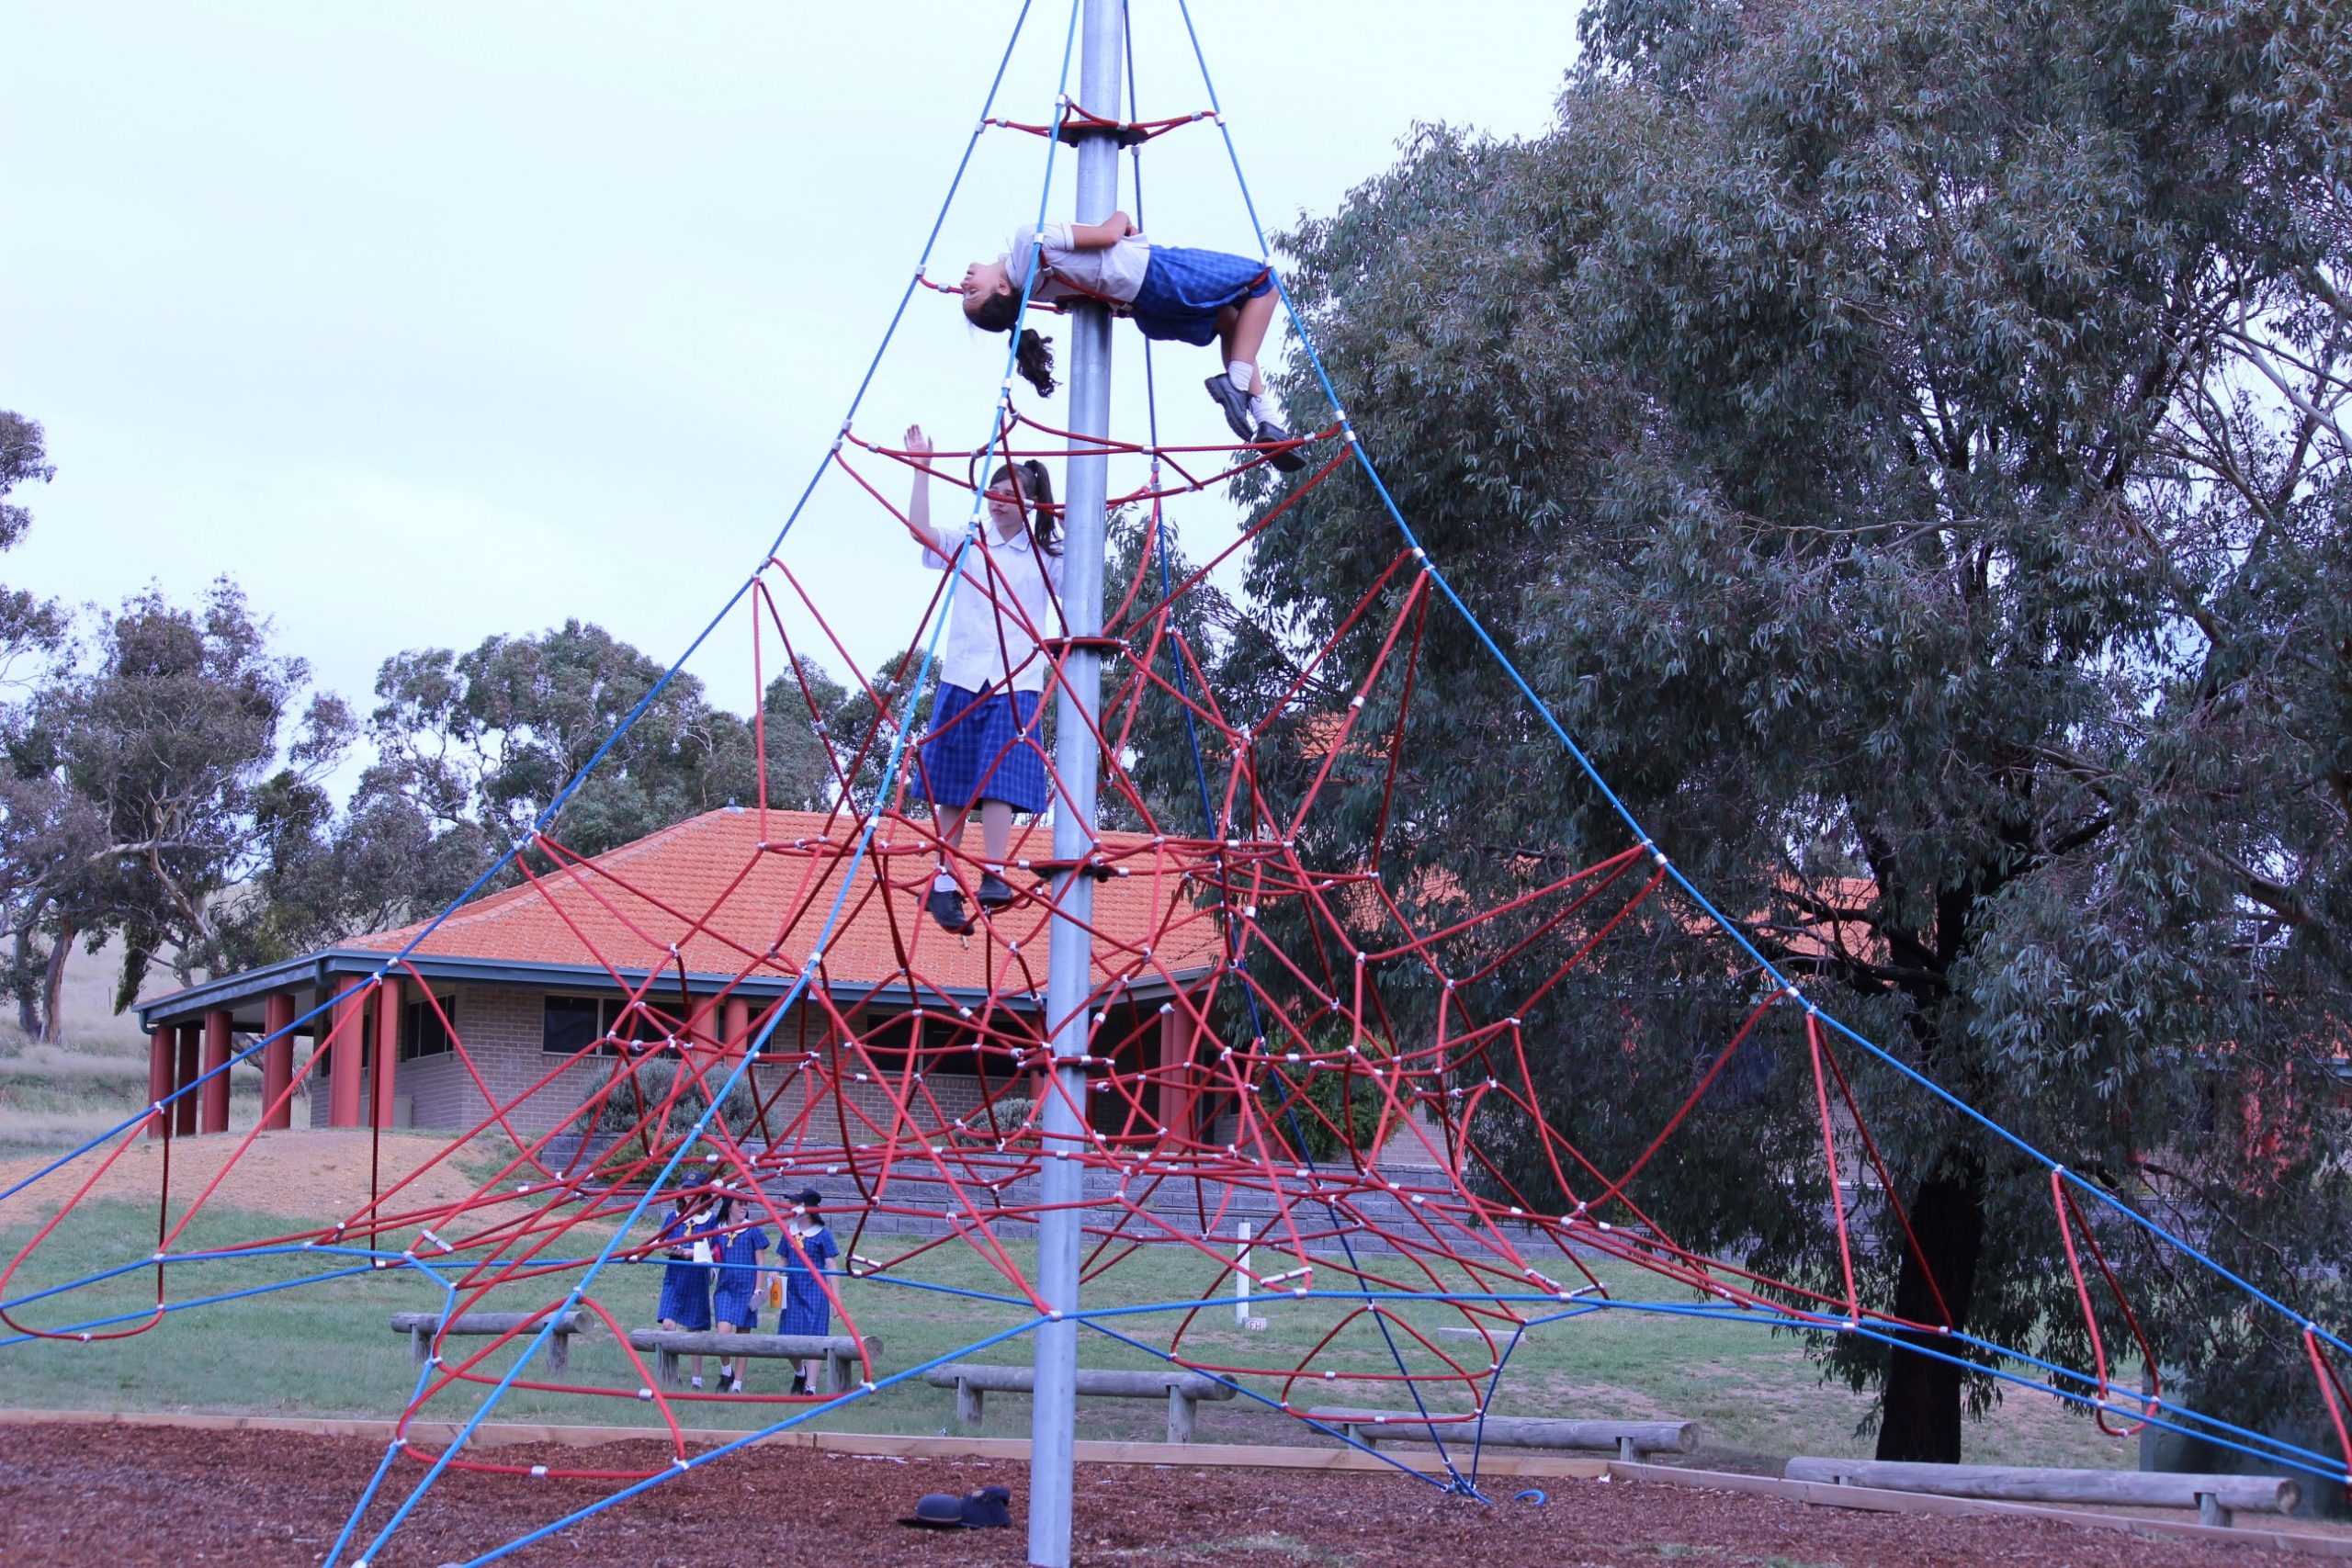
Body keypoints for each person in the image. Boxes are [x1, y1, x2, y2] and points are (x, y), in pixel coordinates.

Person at [960, 212, 1307, 472]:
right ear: (1002, 289)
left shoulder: (1036, 290)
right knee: (1264, 281)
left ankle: (1265, 418)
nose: (964, 282)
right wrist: (1123, 218)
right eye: (972, 291)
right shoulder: (1027, 242)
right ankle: (1237, 384)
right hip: (1155, 273)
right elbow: (1109, 234)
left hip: (1144, 309)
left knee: (1231, 319)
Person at [899, 425, 1062, 932]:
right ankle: (943, 883)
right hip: (965, 674)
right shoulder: (971, 542)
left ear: (1034, 504)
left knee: (1000, 777)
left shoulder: (1048, 556)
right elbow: (920, 532)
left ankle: (994, 870)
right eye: (993, 492)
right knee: (951, 783)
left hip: (1016, 679)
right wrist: (922, 471)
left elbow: (1082, 576)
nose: (998, 502)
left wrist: (1064, 517)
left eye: (1012, 496)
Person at [776, 1187, 841, 1395]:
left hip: (816, 1291)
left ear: (809, 1209)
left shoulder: (823, 1234)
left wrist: (835, 1298)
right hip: (793, 1290)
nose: (792, 1207)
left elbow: (831, 1265)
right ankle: (800, 1372)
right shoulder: (789, 1230)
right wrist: (774, 1273)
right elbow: (783, 1259)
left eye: (798, 1203)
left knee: (815, 1339)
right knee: (787, 1340)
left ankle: (810, 1387)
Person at [706, 1193, 769, 1394]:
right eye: (740, 1203)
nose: (744, 1206)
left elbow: (761, 1263)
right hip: (725, 1288)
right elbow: (710, 1256)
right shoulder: (718, 1230)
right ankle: (727, 1372)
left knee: (742, 1339)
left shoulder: (753, 1229)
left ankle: (737, 1384)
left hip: (747, 1289)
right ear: (728, 1206)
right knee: (722, 1333)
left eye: (746, 1203)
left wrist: (758, 1289)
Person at [654, 1191, 718, 1389]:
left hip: (696, 1277)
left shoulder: (710, 1220)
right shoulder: (674, 1217)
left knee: (694, 1330)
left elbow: (716, 1249)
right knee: (668, 1325)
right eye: (687, 1190)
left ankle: (697, 1380)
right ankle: (673, 1375)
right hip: (674, 1276)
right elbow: (662, 1243)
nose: (691, 1195)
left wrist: (692, 1252)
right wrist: (671, 1249)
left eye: (695, 1191)